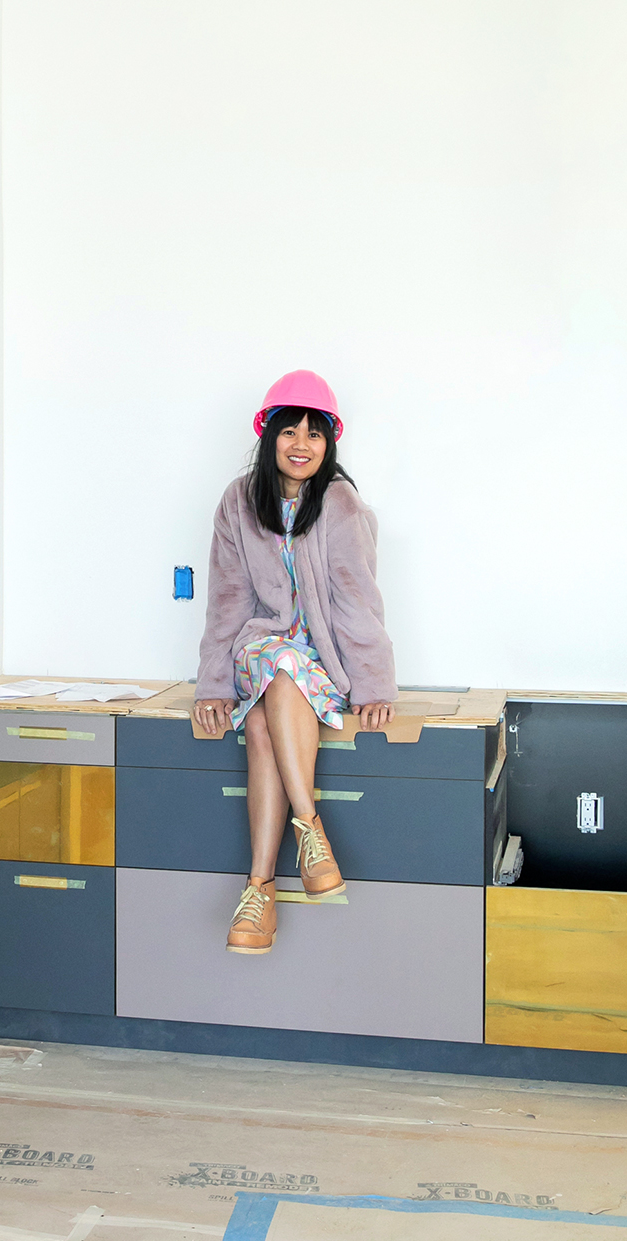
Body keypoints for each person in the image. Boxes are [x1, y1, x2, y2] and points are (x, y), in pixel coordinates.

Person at [194, 369, 397, 954]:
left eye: (314, 432)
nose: (301, 444)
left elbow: (357, 599)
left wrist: (373, 683)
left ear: (330, 441)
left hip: (324, 658)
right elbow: (227, 597)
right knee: (279, 662)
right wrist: (212, 685)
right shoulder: (238, 502)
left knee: (261, 723)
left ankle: (259, 890)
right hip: (262, 648)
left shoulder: (340, 503)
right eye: (289, 432)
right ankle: (311, 831)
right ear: (268, 436)